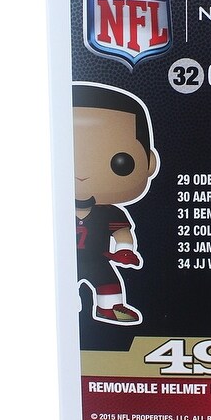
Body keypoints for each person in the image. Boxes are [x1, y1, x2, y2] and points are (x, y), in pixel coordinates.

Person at [73, 83, 159, 324]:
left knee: (108, 282)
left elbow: (122, 232)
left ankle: (109, 308)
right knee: (59, 284)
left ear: (149, 163)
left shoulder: (110, 212)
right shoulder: (52, 210)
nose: (82, 174)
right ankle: (62, 307)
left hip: (99, 259)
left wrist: (124, 249)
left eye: (120, 162)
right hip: (63, 262)